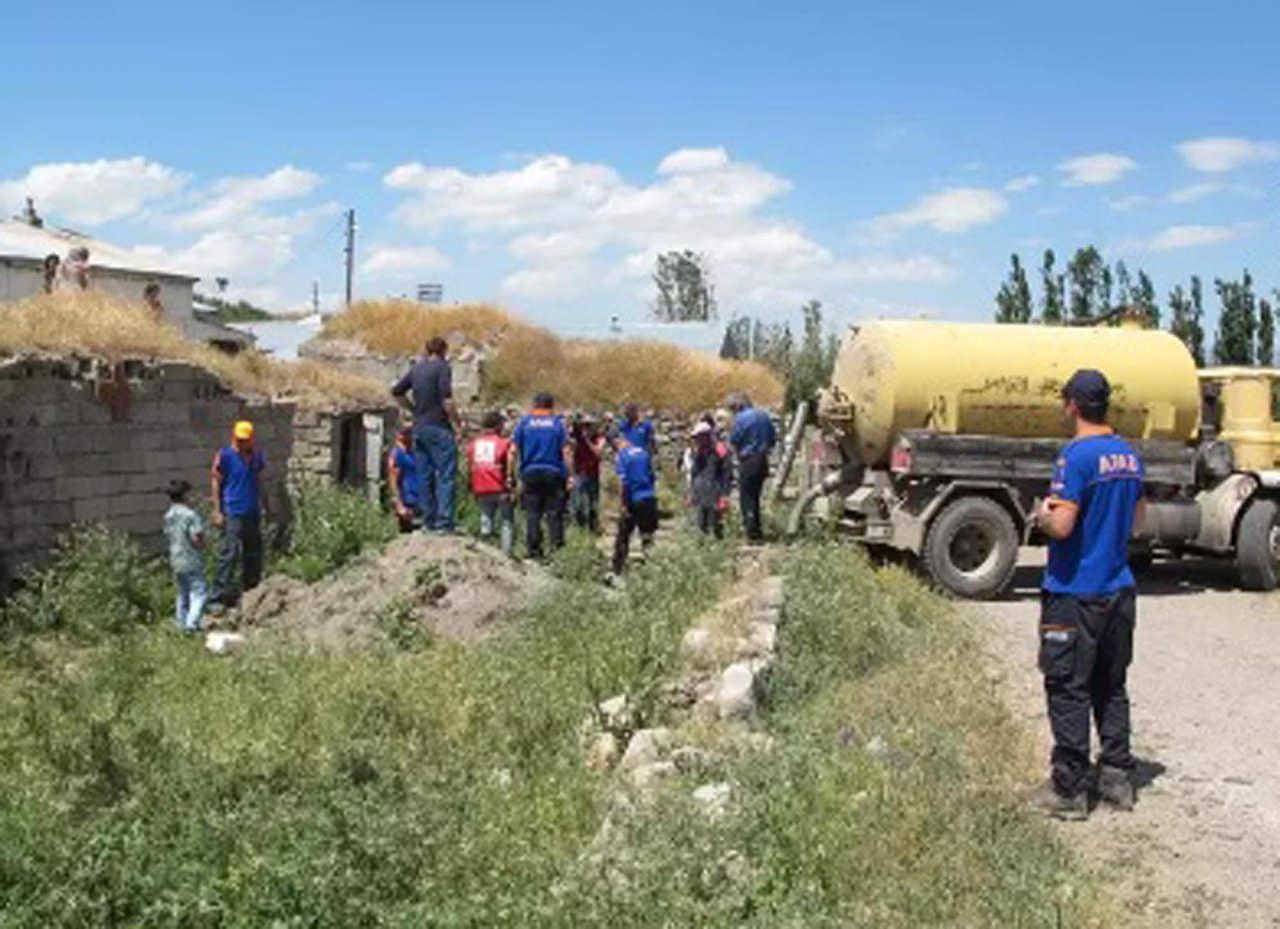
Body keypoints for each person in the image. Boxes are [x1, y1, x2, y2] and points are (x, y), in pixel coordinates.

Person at [1031, 369, 1145, 820]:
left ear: (1072, 406)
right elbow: (1138, 524)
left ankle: (1070, 790)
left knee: (1068, 688)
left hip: (1075, 593)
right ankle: (1117, 778)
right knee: (1110, 686)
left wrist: (1041, 515)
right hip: (1119, 591)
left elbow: (1061, 525)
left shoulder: (1075, 457)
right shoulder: (1129, 456)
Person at [391, 337, 461, 533]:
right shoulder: (443, 368)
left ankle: (427, 521)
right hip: (438, 427)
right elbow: (447, 400)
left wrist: (413, 410)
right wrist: (457, 424)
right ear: (443, 351)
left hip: (419, 428)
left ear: (427, 350)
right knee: (446, 475)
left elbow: (397, 392)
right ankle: (444, 522)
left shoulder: (417, 369)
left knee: (424, 475)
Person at [210, 420, 267, 607]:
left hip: (252, 511)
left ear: (252, 439)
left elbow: (261, 482)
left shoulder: (257, 457)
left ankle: (251, 590)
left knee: (253, 552)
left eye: (246, 440)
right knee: (229, 553)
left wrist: (267, 505)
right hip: (232, 511)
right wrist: (217, 510)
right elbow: (216, 482)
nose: (242, 443)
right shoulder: (225, 456)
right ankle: (218, 596)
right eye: (239, 439)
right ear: (234, 437)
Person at [512, 392, 572, 559]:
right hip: (553, 472)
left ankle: (534, 551)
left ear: (534, 405)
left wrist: (511, 475)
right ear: (551, 406)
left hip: (530, 472)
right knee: (554, 513)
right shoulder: (557, 424)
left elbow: (513, 451)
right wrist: (570, 475)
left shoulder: (524, 423)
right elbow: (566, 451)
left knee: (532, 513)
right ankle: (556, 550)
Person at [728, 393, 777, 542]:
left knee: (746, 497)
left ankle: (751, 533)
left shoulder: (740, 419)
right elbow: (773, 440)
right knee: (756, 496)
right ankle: (757, 530)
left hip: (748, 460)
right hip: (763, 460)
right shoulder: (764, 416)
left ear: (738, 406)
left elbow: (734, 439)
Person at [467, 411, 516, 556]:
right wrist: (510, 480)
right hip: (499, 486)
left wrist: (470, 484)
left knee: (486, 517)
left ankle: (486, 550)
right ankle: (505, 553)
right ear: (499, 426)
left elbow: (470, 463)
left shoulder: (474, 444)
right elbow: (510, 460)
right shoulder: (504, 443)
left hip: (480, 486)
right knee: (506, 520)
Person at [163, 479, 207, 634]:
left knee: (182, 592)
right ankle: (192, 624)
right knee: (199, 591)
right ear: (185, 495)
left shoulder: (168, 516)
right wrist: (203, 545)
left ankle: (180, 622)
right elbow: (196, 537)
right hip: (190, 558)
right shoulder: (190, 515)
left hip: (175, 558)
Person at [612, 435, 659, 574]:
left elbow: (622, 482)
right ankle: (652, 567)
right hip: (649, 498)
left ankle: (617, 569)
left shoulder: (622, 456)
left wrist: (623, 504)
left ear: (618, 442)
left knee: (623, 535)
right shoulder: (644, 453)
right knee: (647, 535)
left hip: (633, 499)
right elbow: (652, 476)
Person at [687, 421, 732, 537]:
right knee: (701, 525)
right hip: (701, 493)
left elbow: (727, 475)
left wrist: (724, 496)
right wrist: (691, 493)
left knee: (715, 526)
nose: (696, 440)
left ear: (707, 436)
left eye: (698, 437)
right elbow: (695, 474)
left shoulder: (720, 451)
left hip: (715, 493)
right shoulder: (699, 452)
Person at [571, 413, 606, 532]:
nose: (586, 428)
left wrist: (587, 440)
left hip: (592, 474)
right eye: (584, 426)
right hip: (579, 473)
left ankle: (593, 526)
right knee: (577, 503)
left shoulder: (599, 438)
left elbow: (598, 453)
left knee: (593, 503)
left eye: (589, 426)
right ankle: (579, 527)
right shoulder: (577, 438)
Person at [387, 425, 421, 532]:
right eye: (407, 433)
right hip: (407, 506)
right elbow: (393, 480)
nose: (411, 435)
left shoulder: (413, 452)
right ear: (400, 435)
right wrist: (398, 504)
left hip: (418, 504)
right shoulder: (397, 454)